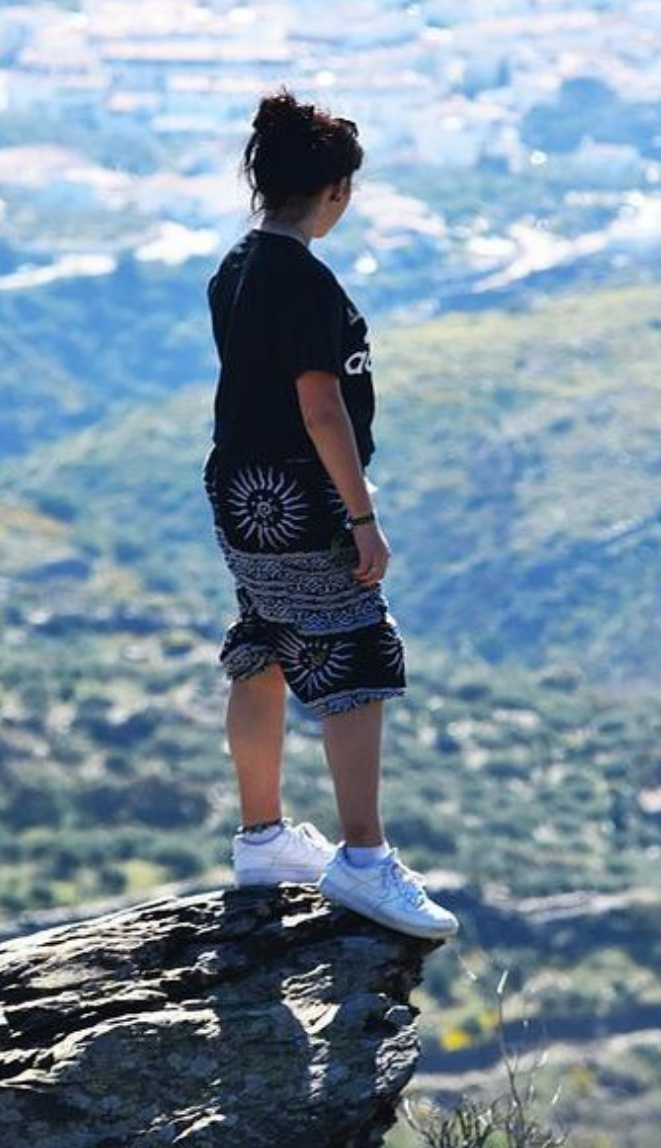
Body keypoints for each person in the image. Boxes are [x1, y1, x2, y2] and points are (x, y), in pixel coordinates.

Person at [201, 88, 458, 940]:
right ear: (336, 190)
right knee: (355, 649)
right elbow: (320, 406)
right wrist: (362, 516)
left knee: (266, 641)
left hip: (239, 487)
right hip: (299, 492)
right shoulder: (306, 281)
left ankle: (263, 839)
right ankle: (364, 858)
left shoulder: (236, 266)